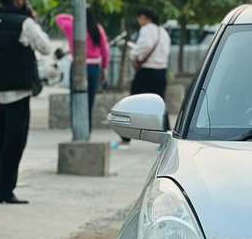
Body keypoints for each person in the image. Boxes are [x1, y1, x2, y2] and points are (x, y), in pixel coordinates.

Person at [0, 0, 52, 204]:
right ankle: (5, 190)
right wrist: (32, 19)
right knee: (14, 142)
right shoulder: (25, 23)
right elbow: (46, 47)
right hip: (17, 92)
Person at [121, 8, 171, 143]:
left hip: (146, 71)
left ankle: (125, 137)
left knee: (131, 102)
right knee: (160, 105)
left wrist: (134, 54)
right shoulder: (163, 32)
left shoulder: (146, 29)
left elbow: (146, 45)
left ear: (143, 17)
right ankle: (166, 137)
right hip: (161, 70)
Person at [55, 9, 110, 122]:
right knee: (89, 101)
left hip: (77, 66)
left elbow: (59, 18)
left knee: (76, 99)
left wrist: (73, 17)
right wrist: (104, 67)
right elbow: (105, 50)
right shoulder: (97, 29)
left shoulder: (71, 26)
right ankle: (87, 129)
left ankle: (76, 129)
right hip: (93, 68)